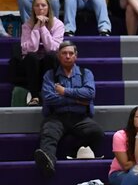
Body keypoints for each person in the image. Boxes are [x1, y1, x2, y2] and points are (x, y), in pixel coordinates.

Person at [34, 41, 104, 176]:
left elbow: (90, 94)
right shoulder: (50, 74)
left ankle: (74, 151)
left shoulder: (86, 73)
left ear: (75, 56)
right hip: (57, 117)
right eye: (64, 53)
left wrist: (64, 91)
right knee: (48, 133)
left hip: (80, 118)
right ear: (59, 56)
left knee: (97, 132)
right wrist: (78, 99)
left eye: (71, 53)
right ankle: (48, 163)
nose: (67, 56)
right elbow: (49, 98)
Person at [18, 0, 64, 106]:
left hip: (49, 61)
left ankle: (47, 93)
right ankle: (34, 96)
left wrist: (43, 28)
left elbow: (52, 48)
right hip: (32, 62)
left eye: (43, 5)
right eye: (37, 5)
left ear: (49, 8)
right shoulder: (27, 25)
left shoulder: (58, 24)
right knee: (31, 57)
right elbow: (30, 48)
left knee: (51, 55)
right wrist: (37, 26)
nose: (40, 8)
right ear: (33, 8)